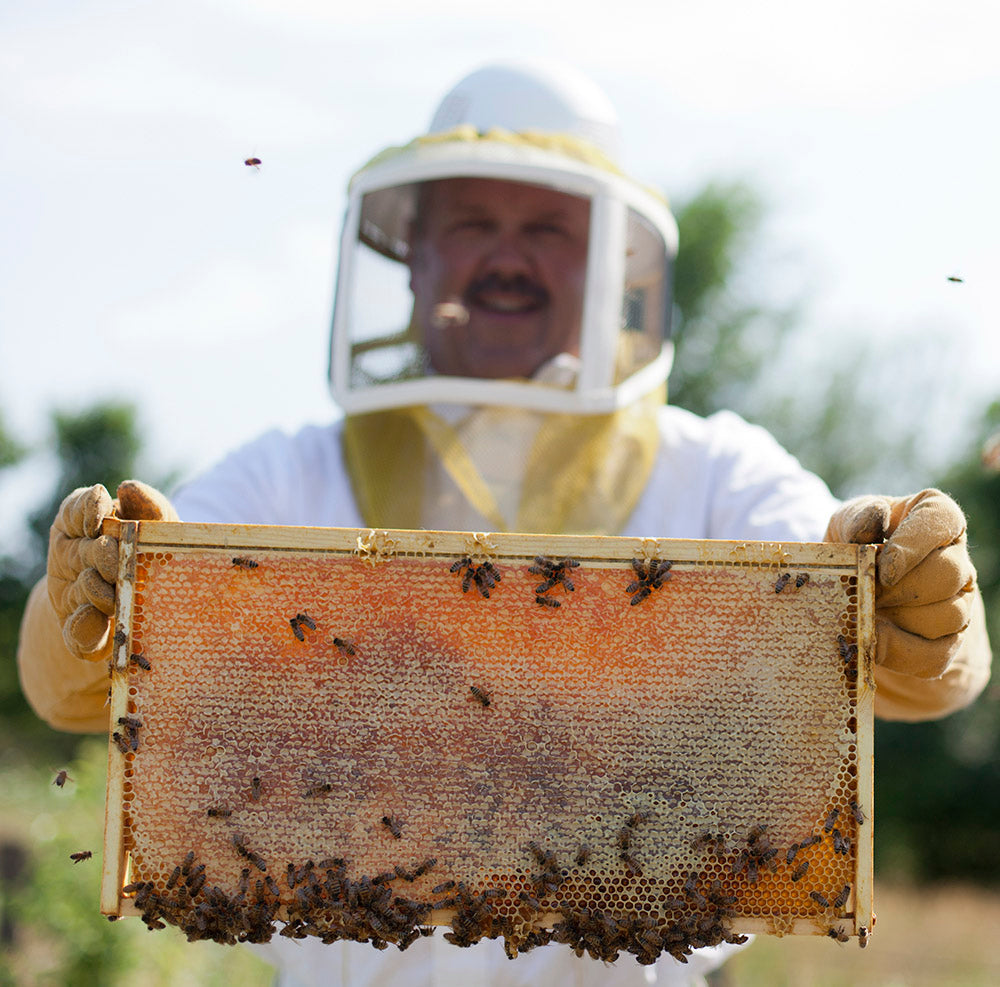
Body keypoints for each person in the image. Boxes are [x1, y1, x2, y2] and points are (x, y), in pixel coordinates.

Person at [16, 60, 992, 986]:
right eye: (472, 222)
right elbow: (75, 684)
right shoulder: (286, 473)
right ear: (411, 255)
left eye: (550, 227)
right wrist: (93, 598)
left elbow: (888, 645)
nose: (507, 255)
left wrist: (906, 600)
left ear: (615, 260)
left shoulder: (717, 471)